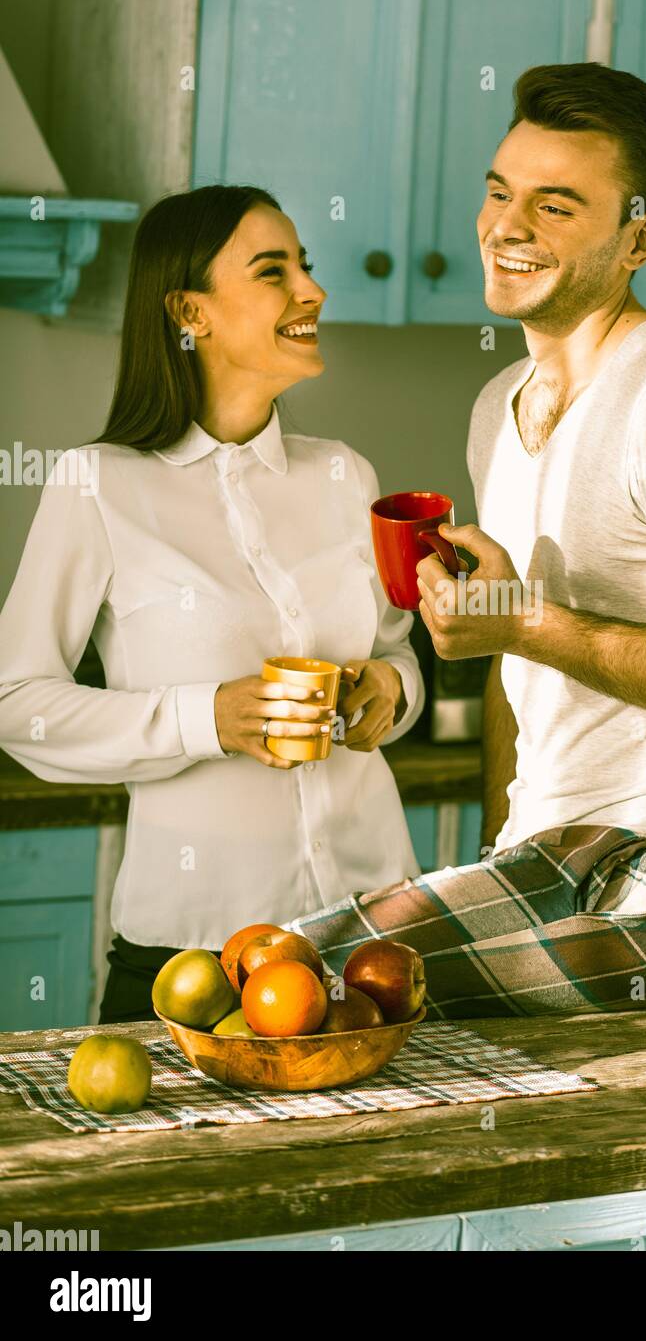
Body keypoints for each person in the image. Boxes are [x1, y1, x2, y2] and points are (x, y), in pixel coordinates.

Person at [282, 63, 646, 1018]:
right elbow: (514, 672)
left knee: (306, 977)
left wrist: (528, 621)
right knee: (284, 969)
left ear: (639, 236)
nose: (507, 226)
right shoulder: (500, 409)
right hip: (548, 855)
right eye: (499, 191)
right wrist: (496, 852)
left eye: (556, 206)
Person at [0, 185, 425, 1024]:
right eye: (275, 271)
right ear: (189, 310)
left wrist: (392, 691)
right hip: (195, 964)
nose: (312, 291)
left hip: (372, 946)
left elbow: (398, 654)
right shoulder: (100, 485)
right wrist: (209, 721)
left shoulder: (347, 475)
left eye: (306, 265)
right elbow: (18, 705)